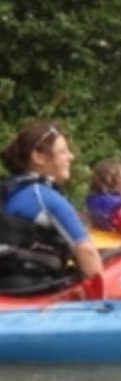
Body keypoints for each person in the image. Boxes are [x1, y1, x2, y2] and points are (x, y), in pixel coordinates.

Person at [0, 121, 103, 291]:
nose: (71, 157)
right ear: (39, 157)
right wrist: (106, 300)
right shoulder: (43, 196)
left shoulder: (9, 190)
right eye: (63, 151)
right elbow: (86, 251)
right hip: (34, 290)